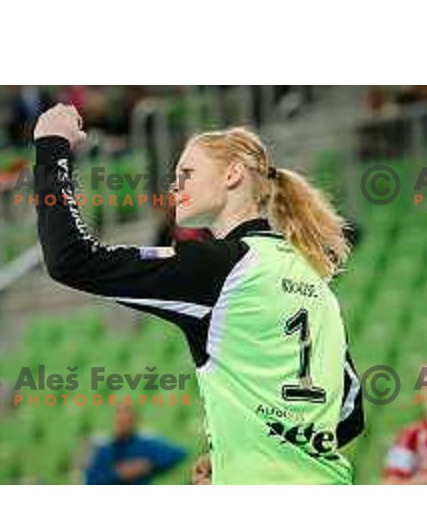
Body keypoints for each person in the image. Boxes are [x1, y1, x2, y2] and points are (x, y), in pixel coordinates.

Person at [33, 104, 364, 485]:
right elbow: (349, 413)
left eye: (187, 173)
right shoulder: (314, 279)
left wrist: (51, 147)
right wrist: (235, 452)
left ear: (233, 175)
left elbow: (71, 259)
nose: (175, 186)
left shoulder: (220, 267)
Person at [84, 405, 186, 485]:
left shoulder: (145, 444)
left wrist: (148, 465)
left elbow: (178, 453)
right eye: (120, 421)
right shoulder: (104, 449)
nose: (123, 425)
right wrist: (118, 474)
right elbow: (91, 480)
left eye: (127, 421)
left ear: (134, 422)